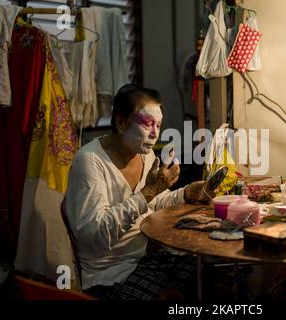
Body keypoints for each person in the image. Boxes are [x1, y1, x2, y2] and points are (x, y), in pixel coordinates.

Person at [64, 84, 211, 300]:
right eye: (148, 124)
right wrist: (148, 193)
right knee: (173, 300)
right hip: (111, 271)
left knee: (210, 272)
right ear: (122, 123)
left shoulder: (144, 154)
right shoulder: (90, 162)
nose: (155, 133)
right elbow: (93, 236)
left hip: (148, 255)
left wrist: (188, 193)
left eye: (159, 125)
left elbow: (155, 202)